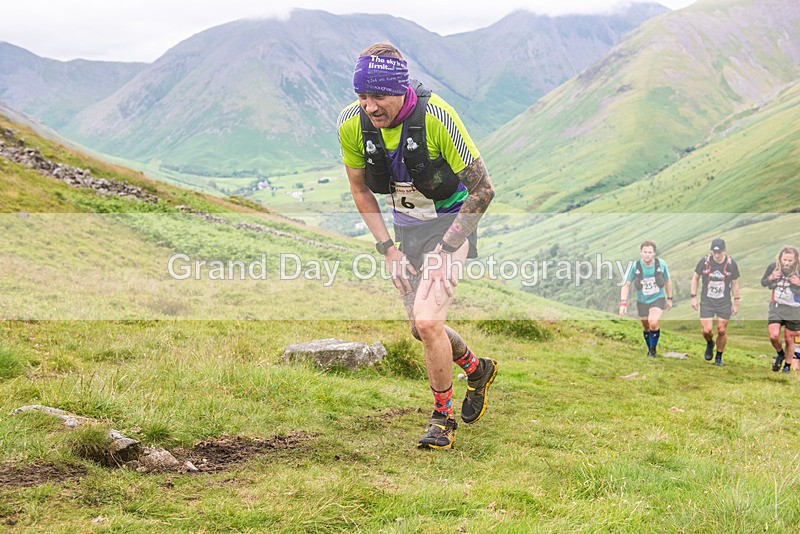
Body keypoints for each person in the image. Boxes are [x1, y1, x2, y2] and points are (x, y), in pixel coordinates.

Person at [337, 42, 497, 450]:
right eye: (361, 96)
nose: (369, 107)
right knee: (421, 328)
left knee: (428, 321)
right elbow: (360, 190)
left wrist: (446, 249)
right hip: (405, 231)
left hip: (451, 224)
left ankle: (442, 419)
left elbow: (483, 190)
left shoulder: (437, 117)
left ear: (401, 89)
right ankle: (477, 370)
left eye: (378, 96)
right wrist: (387, 249)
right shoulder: (351, 125)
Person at [690, 238, 740, 366]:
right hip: (707, 301)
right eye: (714, 252)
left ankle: (718, 356)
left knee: (721, 330)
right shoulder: (705, 261)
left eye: (719, 252)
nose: (717, 255)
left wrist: (736, 303)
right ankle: (709, 343)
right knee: (707, 330)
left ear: (724, 251)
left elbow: (735, 283)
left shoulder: (731, 264)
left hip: (724, 302)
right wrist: (693, 297)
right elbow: (695, 278)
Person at [619, 240, 673, 357]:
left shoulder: (661, 264)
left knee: (653, 322)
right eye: (645, 252)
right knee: (646, 325)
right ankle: (650, 348)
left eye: (650, 252)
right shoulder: (636, 266)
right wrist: (623, 303)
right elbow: (626, 284)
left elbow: (668, 281)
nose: (647, 254)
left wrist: (669, 298)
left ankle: (653, 351)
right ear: (641, 253)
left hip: (657, 298)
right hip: (642, 300)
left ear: (654, 253)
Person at [760, 245, 800, 373]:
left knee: (789, 339)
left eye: (790, 260)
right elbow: (763, 282)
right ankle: (780, 353)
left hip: (794, 308)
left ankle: (787, 366)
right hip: (776, 305)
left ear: (795, 260)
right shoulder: (773, 267)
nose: (787, 263)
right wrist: (771, 278)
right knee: (773, 335)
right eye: (785, 260)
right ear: (780, 259)